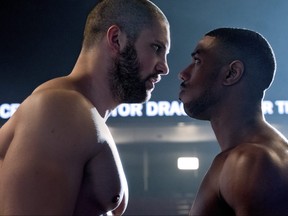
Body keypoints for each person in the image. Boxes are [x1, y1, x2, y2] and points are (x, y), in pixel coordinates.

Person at [0, 0, 170, 215]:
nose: (164, 67)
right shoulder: (61, 109)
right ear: (116, 39)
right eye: (156, 47)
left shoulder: (80, 114)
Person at [179, 27, 288, 216]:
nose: (183, 73)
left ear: (231, 73)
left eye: (197, 61)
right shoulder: (253, 156)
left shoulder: (250, 161)